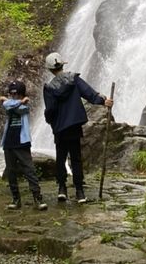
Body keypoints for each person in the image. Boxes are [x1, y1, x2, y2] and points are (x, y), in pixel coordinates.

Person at [43, 52, 113, 204]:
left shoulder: (49, 88)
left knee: (60, 158)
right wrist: (103, 101)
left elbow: (50, 110)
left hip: (60, 127)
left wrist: (50, 121)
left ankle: (62, 189)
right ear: (62, 65)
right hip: (74, 124)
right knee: (76, 158)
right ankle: (80, 191)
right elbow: (89, 93)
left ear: (50, 70)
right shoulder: (74, 79)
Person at [0, 79, 47, 211]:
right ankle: (16, 199)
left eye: (16, 94)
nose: (13, 96)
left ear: (22, 94)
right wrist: (18, 101)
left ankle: (37, 198)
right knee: (11, 172)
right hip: (8, 142)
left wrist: (11, 102)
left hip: (22, 142)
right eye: (11, 94)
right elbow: (7, 106)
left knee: (29, 170)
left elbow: (16, 108)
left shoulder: (26, 106)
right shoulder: (17, 103)